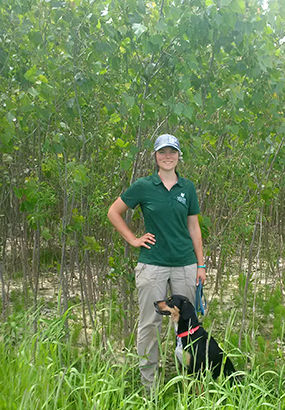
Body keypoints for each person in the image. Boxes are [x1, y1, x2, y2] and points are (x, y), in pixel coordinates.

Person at [106, 133, 207, 392]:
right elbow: (114, 212)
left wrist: (201, 264)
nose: (167, 156)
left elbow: (194, 227)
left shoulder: (188, 187)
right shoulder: (143, 186)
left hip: (185, 263)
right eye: (162, 152)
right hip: (153, 264)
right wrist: (133, 239)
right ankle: (149, 387)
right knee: (150, 323)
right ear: (155, 156)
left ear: (178, 156)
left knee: (188, 326)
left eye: (172, 152)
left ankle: (189, 382)